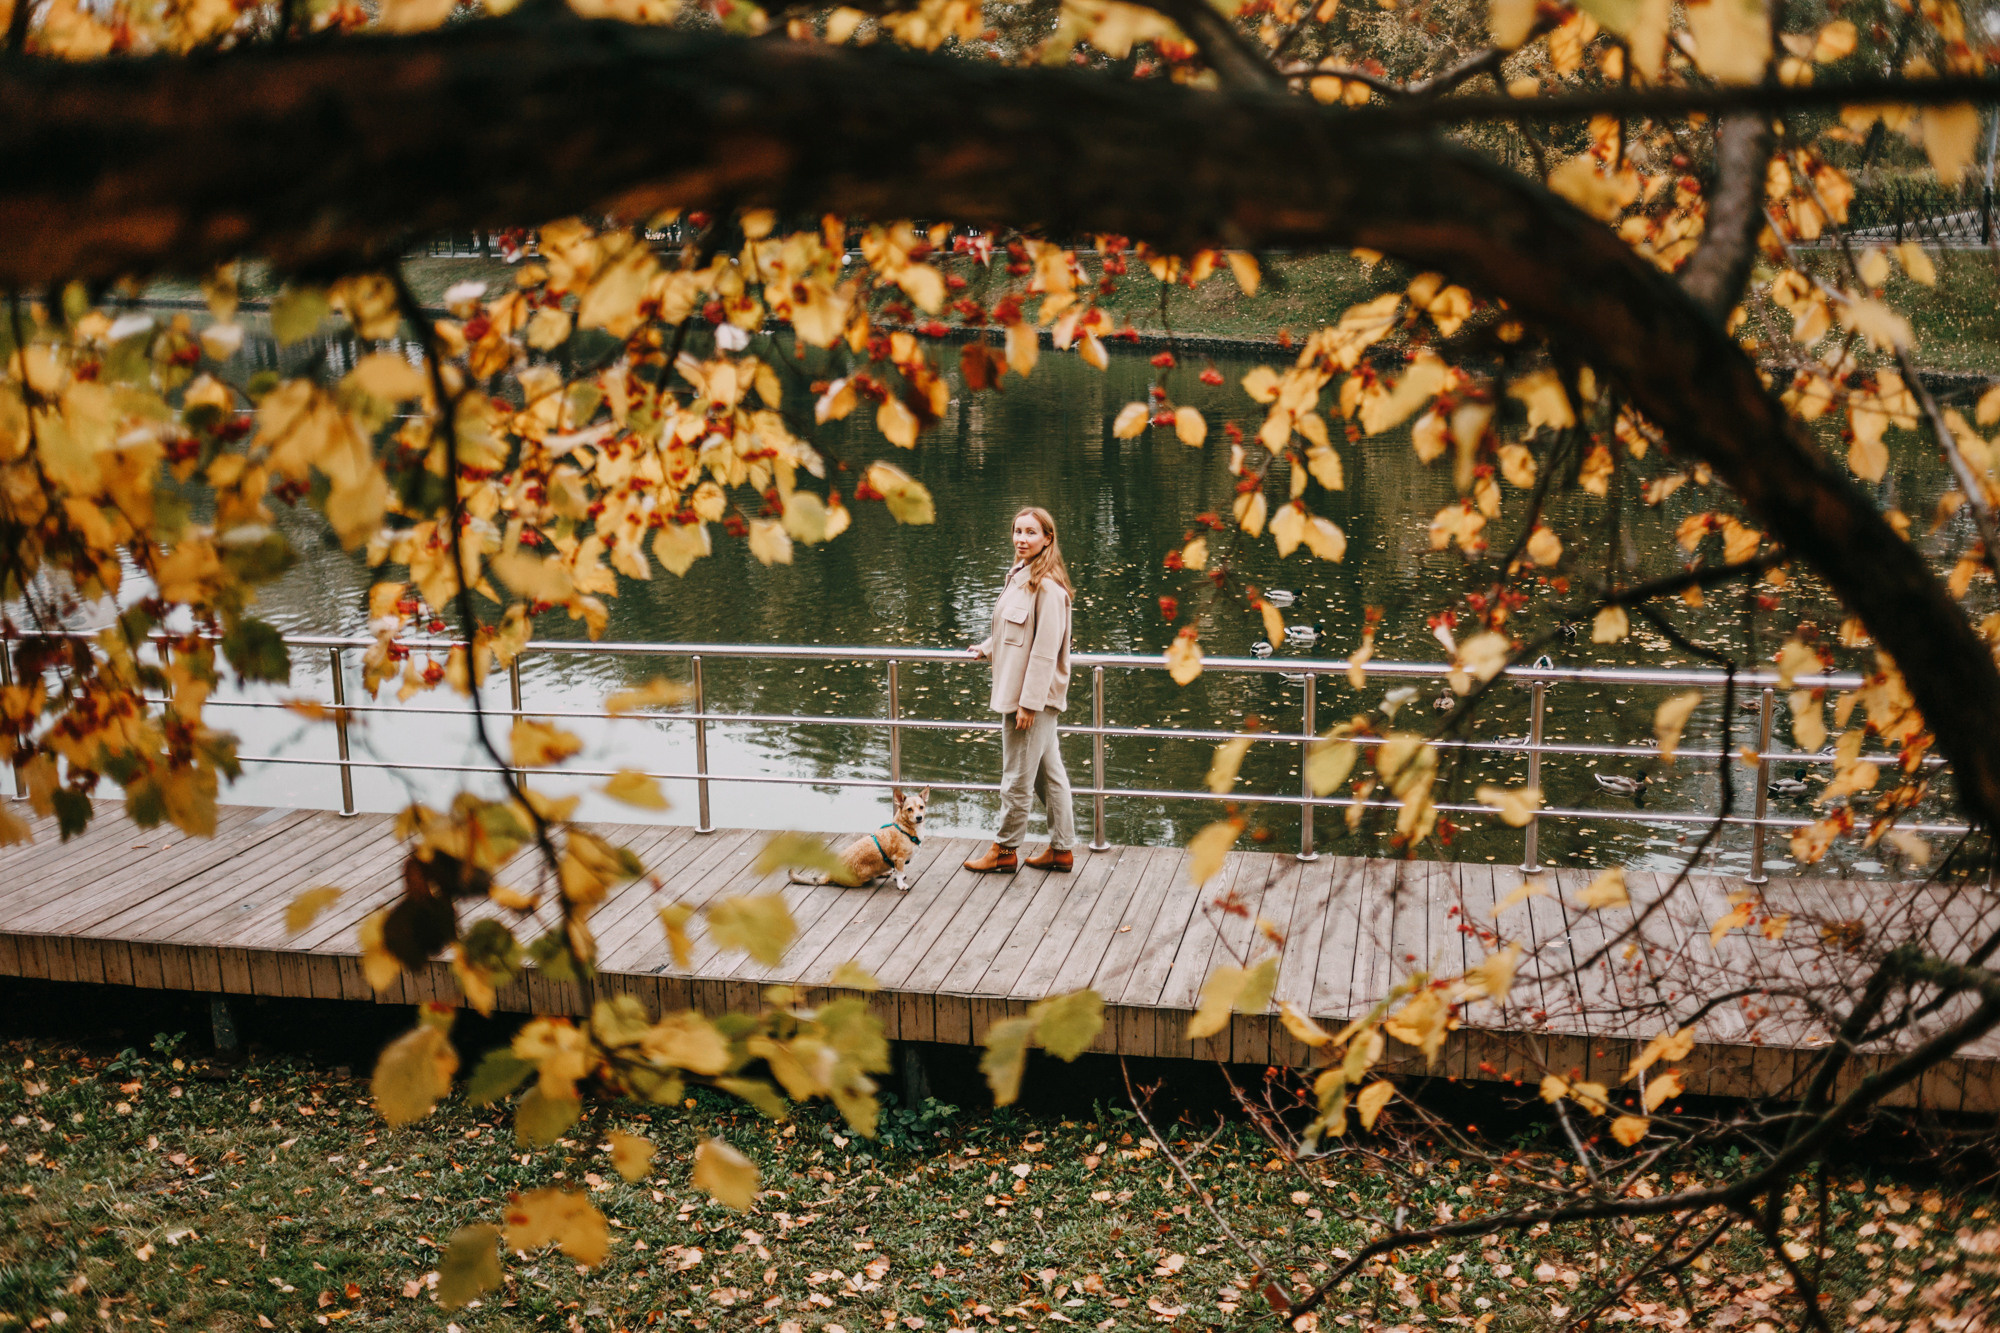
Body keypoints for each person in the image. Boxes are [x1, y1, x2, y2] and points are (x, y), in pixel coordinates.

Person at [963, 506, 1077, 874]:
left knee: (1015, 778)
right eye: (1017, 531)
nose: (1021, 539)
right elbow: (1013, 631)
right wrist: (987, 646)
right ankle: (1061, 850)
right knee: (1048, 774)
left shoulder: (1048, 588)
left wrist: (1029, 705)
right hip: (1018, 693)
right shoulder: (1020, 577)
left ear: (1048, 538)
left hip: (1031, 700)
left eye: (1030, 533)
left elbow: (1044, 652)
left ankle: (1005, 850)